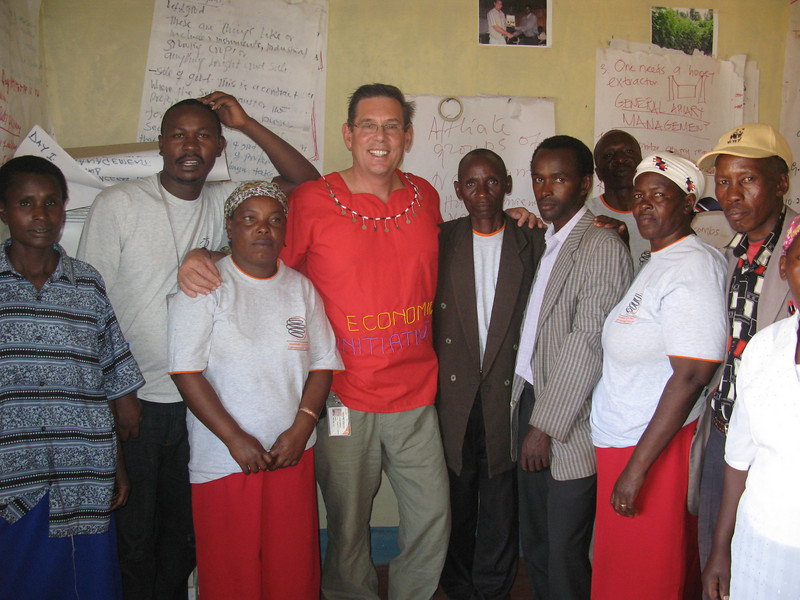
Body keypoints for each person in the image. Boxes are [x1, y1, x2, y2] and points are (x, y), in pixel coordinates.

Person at [77, 92, 320, 599]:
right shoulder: (118, 204)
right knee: (134, 534)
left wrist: (247, 123)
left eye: (205, 135)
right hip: (137, 398)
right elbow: (89, 306)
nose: (191, 146)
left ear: (219, 147)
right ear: (160, 143)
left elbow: (305, 183)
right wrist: (116, 391)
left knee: (186, 539)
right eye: (179, 135)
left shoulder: (224, 202)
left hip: (206, 407)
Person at [167, 182, 342, 599]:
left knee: (292, 567)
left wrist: (302, 428)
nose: (263, 229)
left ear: (285, 232)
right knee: (231, 572)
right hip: (226, 460)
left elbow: (323, 363)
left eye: (274, 220)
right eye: (250, 219)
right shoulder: (206, 286)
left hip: (290, 453)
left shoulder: (300, 288)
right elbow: (185, 372)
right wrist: (235, 438)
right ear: (230, 227)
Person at [0, 156, 144, 599]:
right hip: (14, 470)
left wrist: (117, 463)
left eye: (51, 203)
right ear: (3, 210)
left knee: (88, 582)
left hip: (84, 466)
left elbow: (112, 373)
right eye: (26, 203)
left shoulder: (87, 283)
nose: (41, 215)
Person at [590, 152, 727, 599]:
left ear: (688, 203)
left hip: (655, 450)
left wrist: (637, 470)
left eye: (659, 195)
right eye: (639, 195)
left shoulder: (693, 266)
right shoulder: (659, 259)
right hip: (626, 441)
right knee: (621, 572)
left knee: (648, 578)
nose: (644, 204)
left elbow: (691, 376)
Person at [511, 135, 632, 600]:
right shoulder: (548, 241)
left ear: (585, 184)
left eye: (559, 179)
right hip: (529, 403)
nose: (546, 189)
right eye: (539, 178)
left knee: (565, 551)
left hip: (565, 422)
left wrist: (543, 426)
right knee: (539, 542)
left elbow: (588, 343)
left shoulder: (601, 245)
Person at [435, 149, 544, 599]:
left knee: (502, 500)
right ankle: (457, 585)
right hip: (453, 395)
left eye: (492, 181)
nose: (482, 192)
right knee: (455, 498)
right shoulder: (441, 239)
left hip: (507, 393)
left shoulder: (532, 241)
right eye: (471, 183)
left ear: (507, 185)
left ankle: (494, 588)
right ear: (458, 189)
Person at [694, 123, 795, 577]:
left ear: (781, 183)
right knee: (715, 567)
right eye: (723, 181)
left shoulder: (796, 253)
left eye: (747, 179)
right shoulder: (732, 254)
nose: (731, 195)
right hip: (724, 431)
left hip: (777, 449)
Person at [701, 215, 800, 600]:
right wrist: (721, 548)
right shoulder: (764, 347)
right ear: (784, 267)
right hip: (758, 543)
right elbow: (739, 458)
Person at [587, 129, 650, 269]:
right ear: (598, 173)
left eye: (629, 152)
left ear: (641, 163)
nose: (621, 159)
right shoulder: (585, 215)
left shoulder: (658, 213)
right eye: (609, 155)